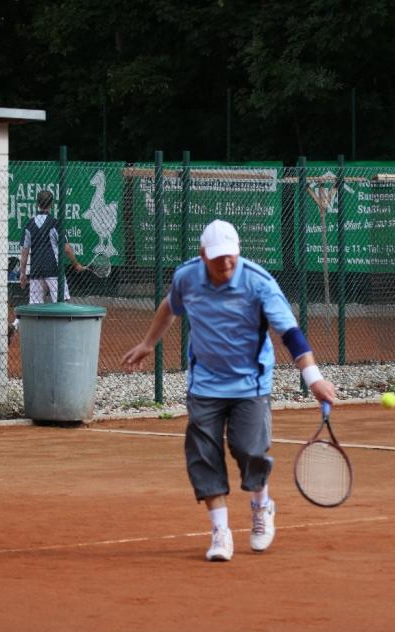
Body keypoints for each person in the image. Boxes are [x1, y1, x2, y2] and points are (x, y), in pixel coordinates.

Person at [122, 219, 335, 562]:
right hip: (205, 383)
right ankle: (220, 531)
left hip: (250, 384)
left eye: (230, 255)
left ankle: (262, 506)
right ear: (203, 254)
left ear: (238, 252)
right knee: (203, 455)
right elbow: (170, 306)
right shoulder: (187, 277)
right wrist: (148, 343)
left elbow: (290, 333)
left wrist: (314, 379)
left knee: (249, 450)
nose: (225, 263)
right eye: (217, 256)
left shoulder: (259, 282)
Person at [18, 188, 83, 305]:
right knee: (62, 304)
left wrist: (23, 273)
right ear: (51, 205)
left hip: (36, 270)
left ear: (37, 204)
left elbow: (24, 252)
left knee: (35, 307)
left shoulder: (29, 224)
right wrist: (76, 264)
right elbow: (67, 249)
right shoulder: (55, 223)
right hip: (53, 269)